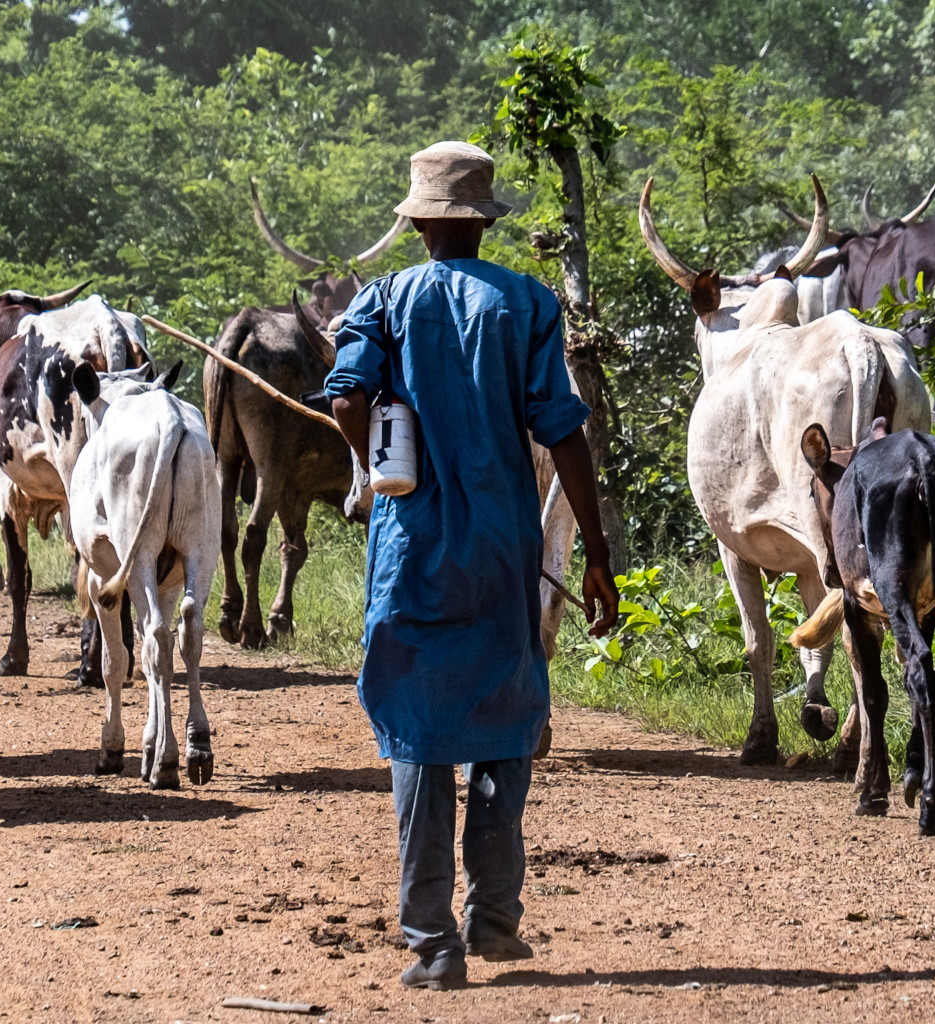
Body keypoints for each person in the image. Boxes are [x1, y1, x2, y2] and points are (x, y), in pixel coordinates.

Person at [325, 141, 620, 991]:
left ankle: (432, 943)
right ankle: (495, 914)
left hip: (412, 551)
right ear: (483, 224)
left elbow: (347, 396)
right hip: (501, 549)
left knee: (417, 734)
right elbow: (563, 428)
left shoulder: (382, 299)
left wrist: (380, 449)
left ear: (417, 222)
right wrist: (596, 556)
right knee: (503, 718)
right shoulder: (526, 303)